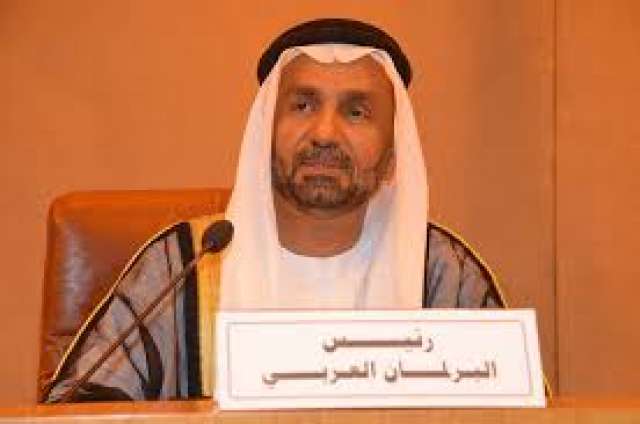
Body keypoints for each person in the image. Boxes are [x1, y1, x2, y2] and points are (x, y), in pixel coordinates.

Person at [43, 18, 506, 402]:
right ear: (266, 128)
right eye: (302, 105)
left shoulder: (442, 271)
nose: (324, 133)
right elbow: (77, 410)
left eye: (357, 112)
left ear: (394, 147)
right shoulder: (188, 263)